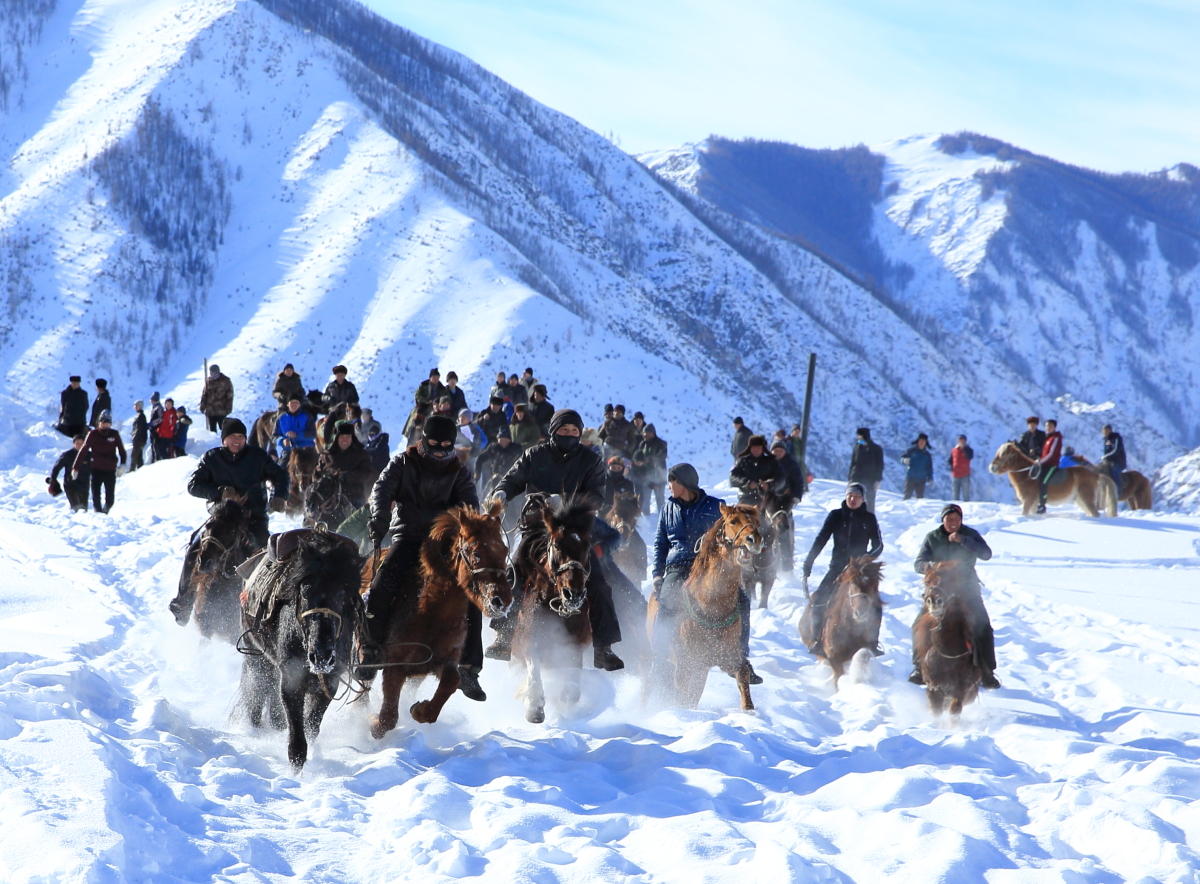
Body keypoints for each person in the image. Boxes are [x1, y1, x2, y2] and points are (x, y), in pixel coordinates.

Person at [487, 408, 625, 671]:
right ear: (553, 431)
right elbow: (512, 480)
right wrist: (501, 494)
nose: (569, 434)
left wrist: (567, 503)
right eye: (564, 430)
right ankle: (504, 635)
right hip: (536, 527)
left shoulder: (591, 460)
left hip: (574, 530)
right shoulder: (534, 454)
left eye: (574, 431)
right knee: (514, 573)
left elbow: (597, 496)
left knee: (598, 582)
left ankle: (603, 646)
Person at [363, 414, 483, 697]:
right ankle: (370, 650)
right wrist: (380, 514)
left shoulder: (459, 471)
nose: (440, 448)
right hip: (407, 537)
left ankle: (468, 667)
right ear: (423, 439)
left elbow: (469, 506)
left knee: (471, 594)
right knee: (382, 585)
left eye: (446, 443)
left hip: (443, 545)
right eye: (434, 442)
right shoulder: (403, 462)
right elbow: (382, 487)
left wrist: (468, 528)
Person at [649, 463, 761, 693]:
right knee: (667, 603)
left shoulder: (714, 506)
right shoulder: (667, 508)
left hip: (711, 564)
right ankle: (660, 661)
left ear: (685, 483)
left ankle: (740, 659)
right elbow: (660, 544)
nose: (669, 486)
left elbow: (733, 530)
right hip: (679, 566)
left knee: (743, 601)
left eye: (673, 482)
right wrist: (658, 574)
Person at [172, 419, 290, 624]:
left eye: (241, 437)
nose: (237, 440)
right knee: (195, 544)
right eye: (232, 437)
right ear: (224, 439)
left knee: (269, 555)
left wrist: (279, 495)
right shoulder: (211, 458)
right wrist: (217, 492)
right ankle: (184, 601)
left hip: (254, 520)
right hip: (222, 519)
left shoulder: (258, 456)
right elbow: (193, 485)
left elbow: (281, 475)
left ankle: (272, 608)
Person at [910, 503, 1000, 689]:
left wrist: (963, 540)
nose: (953, 522)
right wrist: (925, 566)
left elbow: (986, 554)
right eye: (949, 519)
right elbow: (918, 562)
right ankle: (919, 668)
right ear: (942, 520)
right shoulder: (932, 537)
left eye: (957, 519)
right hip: (939, 589)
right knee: (919, 625)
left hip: (966, 589)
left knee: (983, 627)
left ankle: (986, 671)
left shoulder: (970, 534)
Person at [801, 483, 884, 656]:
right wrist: (809, 561)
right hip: (837, 568)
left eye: (856, 496)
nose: (853, 499)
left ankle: (873, 643)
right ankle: (817, 639)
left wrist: (864, 560)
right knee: (819, 600)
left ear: (862, 499)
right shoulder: (836, 516)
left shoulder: (869, 518)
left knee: (875, 604)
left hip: (860, 571)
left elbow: (878, 545)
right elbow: (821, 539)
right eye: (850, 496)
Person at [313, 421, 376, 510]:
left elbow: (367, 474)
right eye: (342, 437)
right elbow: (316, 476)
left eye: (348, 437)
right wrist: (327, 478)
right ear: (336, 438)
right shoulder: (327, 455)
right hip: (328, 500)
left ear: (352, 438)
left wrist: (347, 476)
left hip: (354, 498)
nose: (345, 440)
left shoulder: (361, 454)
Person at [75, 411, 126, 514]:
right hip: (96, 469)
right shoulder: (93, 434)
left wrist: (123, 464)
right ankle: (98, 513)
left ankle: (105, 512)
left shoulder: (114, 434)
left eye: (107, 422)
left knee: (110, 499)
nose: (105, 424)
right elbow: (84, 450)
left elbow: (121, 450)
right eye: (103, 422)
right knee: (96, 495)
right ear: (98, 423)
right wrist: (75, 467)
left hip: (110, 469)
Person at [770, 439, 804, 571]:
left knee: (784, 536)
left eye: (780, 450)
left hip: (785, 504)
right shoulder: (766, 464)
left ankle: (786, 568)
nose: (778, 453)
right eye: (775, 450)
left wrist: (795, 497)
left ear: (785, 451)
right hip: (769, 504)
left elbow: (799, 483)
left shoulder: (791, 465)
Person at [730, 434, 781, 506]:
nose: (756, 449)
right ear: (749, 448)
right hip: (746, 498)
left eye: (758, 447)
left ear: (763, 448)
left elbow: (780, 478)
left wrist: (769, 484)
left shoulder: (772, 462)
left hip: (767, 499)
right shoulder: (741, 461)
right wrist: (747, 483)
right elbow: (733, 477)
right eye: (753, 447)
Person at [631, 423, 668, 514]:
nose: (644, 435)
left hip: (658, 474)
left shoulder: (661, 444)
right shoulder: (643, 444)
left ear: (653, 433)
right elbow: (638, 455)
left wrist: (649, 459)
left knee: (660, 499)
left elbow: (662, 456)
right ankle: (646, 519)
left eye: (647, 433)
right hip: (646, 475)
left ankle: (663, 517)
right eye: (644, 433)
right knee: (645, 498)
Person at [474, 424, 521, 496]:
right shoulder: (494, 448)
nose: (503, 442)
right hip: (495, 478)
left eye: (505, 440)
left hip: (511, 480)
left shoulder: (516, 449)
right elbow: (481, 458)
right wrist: (477, 472)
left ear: (509, 440)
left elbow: (522, 464)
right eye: (501, 440)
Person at [847, 428, 885, 512]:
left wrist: (877, 480)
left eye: (860, 437)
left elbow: (880, 466)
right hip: (856, 478)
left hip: (870, 480)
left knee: (869, 503)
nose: (858, 439)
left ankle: (869, 521)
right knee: (853, 501)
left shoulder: (876, 449)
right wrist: (850, 478)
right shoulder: (856, 448)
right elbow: (853, 463)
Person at [50, 435, 90, 511]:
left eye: (81, 443)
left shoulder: (89, 455)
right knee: (76, 507)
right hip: (71, 485)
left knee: (84, 509)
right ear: (73, 444)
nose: (79, 445)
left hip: (84, 485)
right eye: (77, 443)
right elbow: (56, 468)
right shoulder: (67, 455)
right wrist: (53, 479)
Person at [275, 394, 317, 464]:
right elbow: (274, 436)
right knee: (279, 471)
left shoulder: (307, 416)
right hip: (289, 450)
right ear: (287, 404)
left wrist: (297, 435)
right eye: (291, 402)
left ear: (300, 404)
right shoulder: (281, 418)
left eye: (296, 402)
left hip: (306, 449)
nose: (294, 404)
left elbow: (313, 434)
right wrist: (282, 441)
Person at [1035, 418, 1063, 514]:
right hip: (1044, 463)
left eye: (1050, 426)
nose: (1048, 428)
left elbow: (1051, 454)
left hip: (1051, 464)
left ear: (1054, 427)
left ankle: (1042, 505)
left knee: (1043, 481)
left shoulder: (1055, 438)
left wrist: (1041, 462)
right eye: (1046, 426)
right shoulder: (1047, 438)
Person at [200, 364, 234, 433]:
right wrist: (202, 406)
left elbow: (229, 396)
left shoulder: (225, 381)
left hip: (221, 410)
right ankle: (214, 443)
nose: (212, 374)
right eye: (211, 372)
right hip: (210, 410)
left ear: (218, 372)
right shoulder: (209, 381)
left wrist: (228, 408)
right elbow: (205, 394)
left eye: (213, 372)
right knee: (212, 431)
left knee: (224, 429)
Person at [901, 433, 933, 500]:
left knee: (920, 499)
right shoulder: (911, 451)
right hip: (911, 477)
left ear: (926, 443)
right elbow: (902, 458)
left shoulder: (927, 455)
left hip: (921, 479)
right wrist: (904, 460)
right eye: (920, 441)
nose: (921, 443)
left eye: (923, 441)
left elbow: (929, 468)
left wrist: (930, 478)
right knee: (907, 496)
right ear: (917, 441)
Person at [1100, 424, 1126, 493]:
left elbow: (1115, 450)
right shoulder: (1106, 440)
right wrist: (1105, 459)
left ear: (1110, 431)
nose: (1105, 432)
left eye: (1106, 430)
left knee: (1115, 473)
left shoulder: (1116, 438)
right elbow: (1106, 452)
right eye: (1104, 431)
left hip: (1118, 461)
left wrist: (1106, 457)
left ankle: (1118, 492)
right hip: (1109, 461)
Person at [949, 435, 974, 502]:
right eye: (960, 440)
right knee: (955, 495)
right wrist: (951, 467)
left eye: (963, 440)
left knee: (966, 495)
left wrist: (964, 448)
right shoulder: (954, 450)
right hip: (955, 475)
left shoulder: (969, 450)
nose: (962, 442)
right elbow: (950, 460)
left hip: (965, 475)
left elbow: (970, 457)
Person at [129, 400, 148, 472]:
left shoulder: (140, 416)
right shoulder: (139, 415)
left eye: (136, 405)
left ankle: (132, 469)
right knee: (139, 455)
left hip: (139, 439)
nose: (135, 407)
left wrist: (135, 438)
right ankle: (140, 469)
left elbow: (138, 428)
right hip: (140, 438)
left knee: (134, 455)